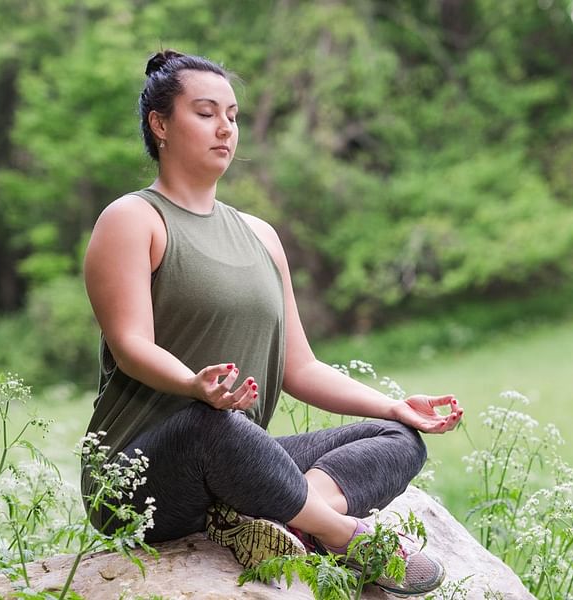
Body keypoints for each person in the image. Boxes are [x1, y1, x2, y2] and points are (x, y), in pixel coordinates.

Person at [81, 49, 464, 596]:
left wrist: (392, 403)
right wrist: (193, 386)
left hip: (238, 463)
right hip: (139, 477)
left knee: (396, 437)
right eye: (207, 112)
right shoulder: (133, 219)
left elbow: (301, 367)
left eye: (233, 116)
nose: (225, 129)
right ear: (160, 124)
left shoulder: (260, 235)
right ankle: (342, 534)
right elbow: (130, 344)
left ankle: (276, 517)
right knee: (208, 424)